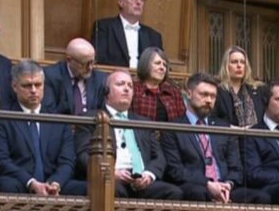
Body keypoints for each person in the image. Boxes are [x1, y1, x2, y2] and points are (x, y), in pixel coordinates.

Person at [161, 72, 270, 204]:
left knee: (262, 197)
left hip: (226, 187)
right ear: (189, 94)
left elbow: (236, 168)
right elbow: (175, 170)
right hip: (196, 186)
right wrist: (208, 184)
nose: (208, 100)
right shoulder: (173, 129)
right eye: (204, 94)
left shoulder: (223, 128)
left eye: (213, 96)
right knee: (198, 193)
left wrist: (228, 185)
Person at [0, 60, 86, 195]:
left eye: (38, 85)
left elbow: (68, 161)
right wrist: (31, 182)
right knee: (8, 186)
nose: (33, 90)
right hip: (18, 181)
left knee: (89, 189)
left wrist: (55, 183)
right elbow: (1, 161)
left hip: (52, 183)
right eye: (27, 86)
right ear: (14, 86)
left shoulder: (59, 119)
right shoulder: (0, 118)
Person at [75, 71, 182, 200]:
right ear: (106, 91)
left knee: (174, 193)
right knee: (113, 189)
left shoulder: (144, 122)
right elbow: (83, 155)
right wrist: (109, 172)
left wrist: (149, 174)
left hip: (140, 180)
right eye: (120, 84)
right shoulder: (91, 119)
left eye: (130, 86)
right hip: (110, 178)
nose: (126, 89)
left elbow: (159, 157)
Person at [91, 0, 163, 68]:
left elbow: (161, 64)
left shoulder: (154, 36)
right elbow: (100, 60)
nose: (138, 2)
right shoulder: (104, 27)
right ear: (120, 2)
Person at [43, 38, 108, 115]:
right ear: (69, 60)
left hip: (91, 126)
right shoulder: (50, 76)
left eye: (92, 62)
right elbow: (49, 112)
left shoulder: (100, 79)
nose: (90, 67)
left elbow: (104, 110)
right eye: (85, 63)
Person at [212, 46, 264, 128]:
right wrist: (230, 127)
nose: (239, 65)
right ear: (226, 66)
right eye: (234, 62)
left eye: (242, 62)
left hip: (253, 138)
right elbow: (212, 119)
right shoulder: (217, 90)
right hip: (226, 137)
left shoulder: (257, 90)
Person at [130, 47, 185, 122]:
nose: (162, 68)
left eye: (164, 65)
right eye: (157, 63)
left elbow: (182, 121)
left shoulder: (174, 92)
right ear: (145, 64)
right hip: (141, 133)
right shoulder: (133, 89)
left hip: (169, 133)